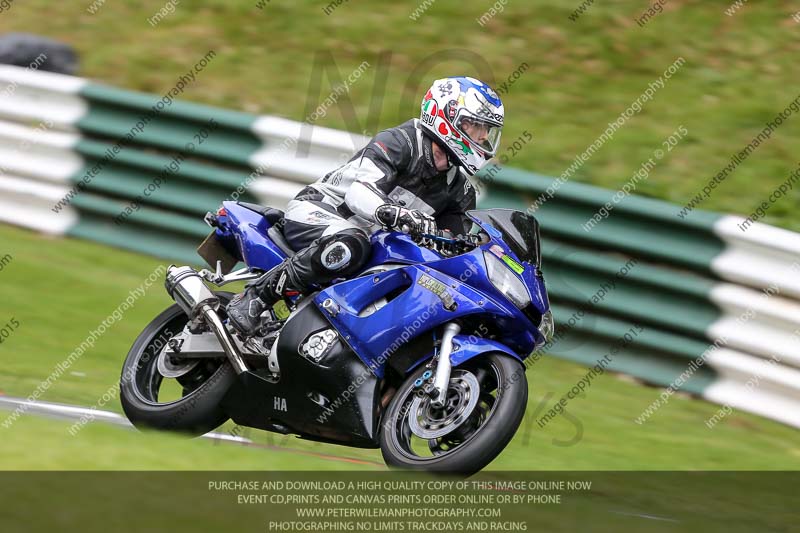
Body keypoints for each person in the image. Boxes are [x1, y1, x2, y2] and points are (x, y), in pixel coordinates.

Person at [226, 76, 504, 336]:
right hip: (320, 211)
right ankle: (255, 298)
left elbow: (454, 245)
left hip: (373, 246)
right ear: (445, 116)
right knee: (353, 241)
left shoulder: (461, 190)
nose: (482, 137)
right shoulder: (401, 141)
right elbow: (359, 194)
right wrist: (394, 212)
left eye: (486, 130)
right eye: (475, 125)